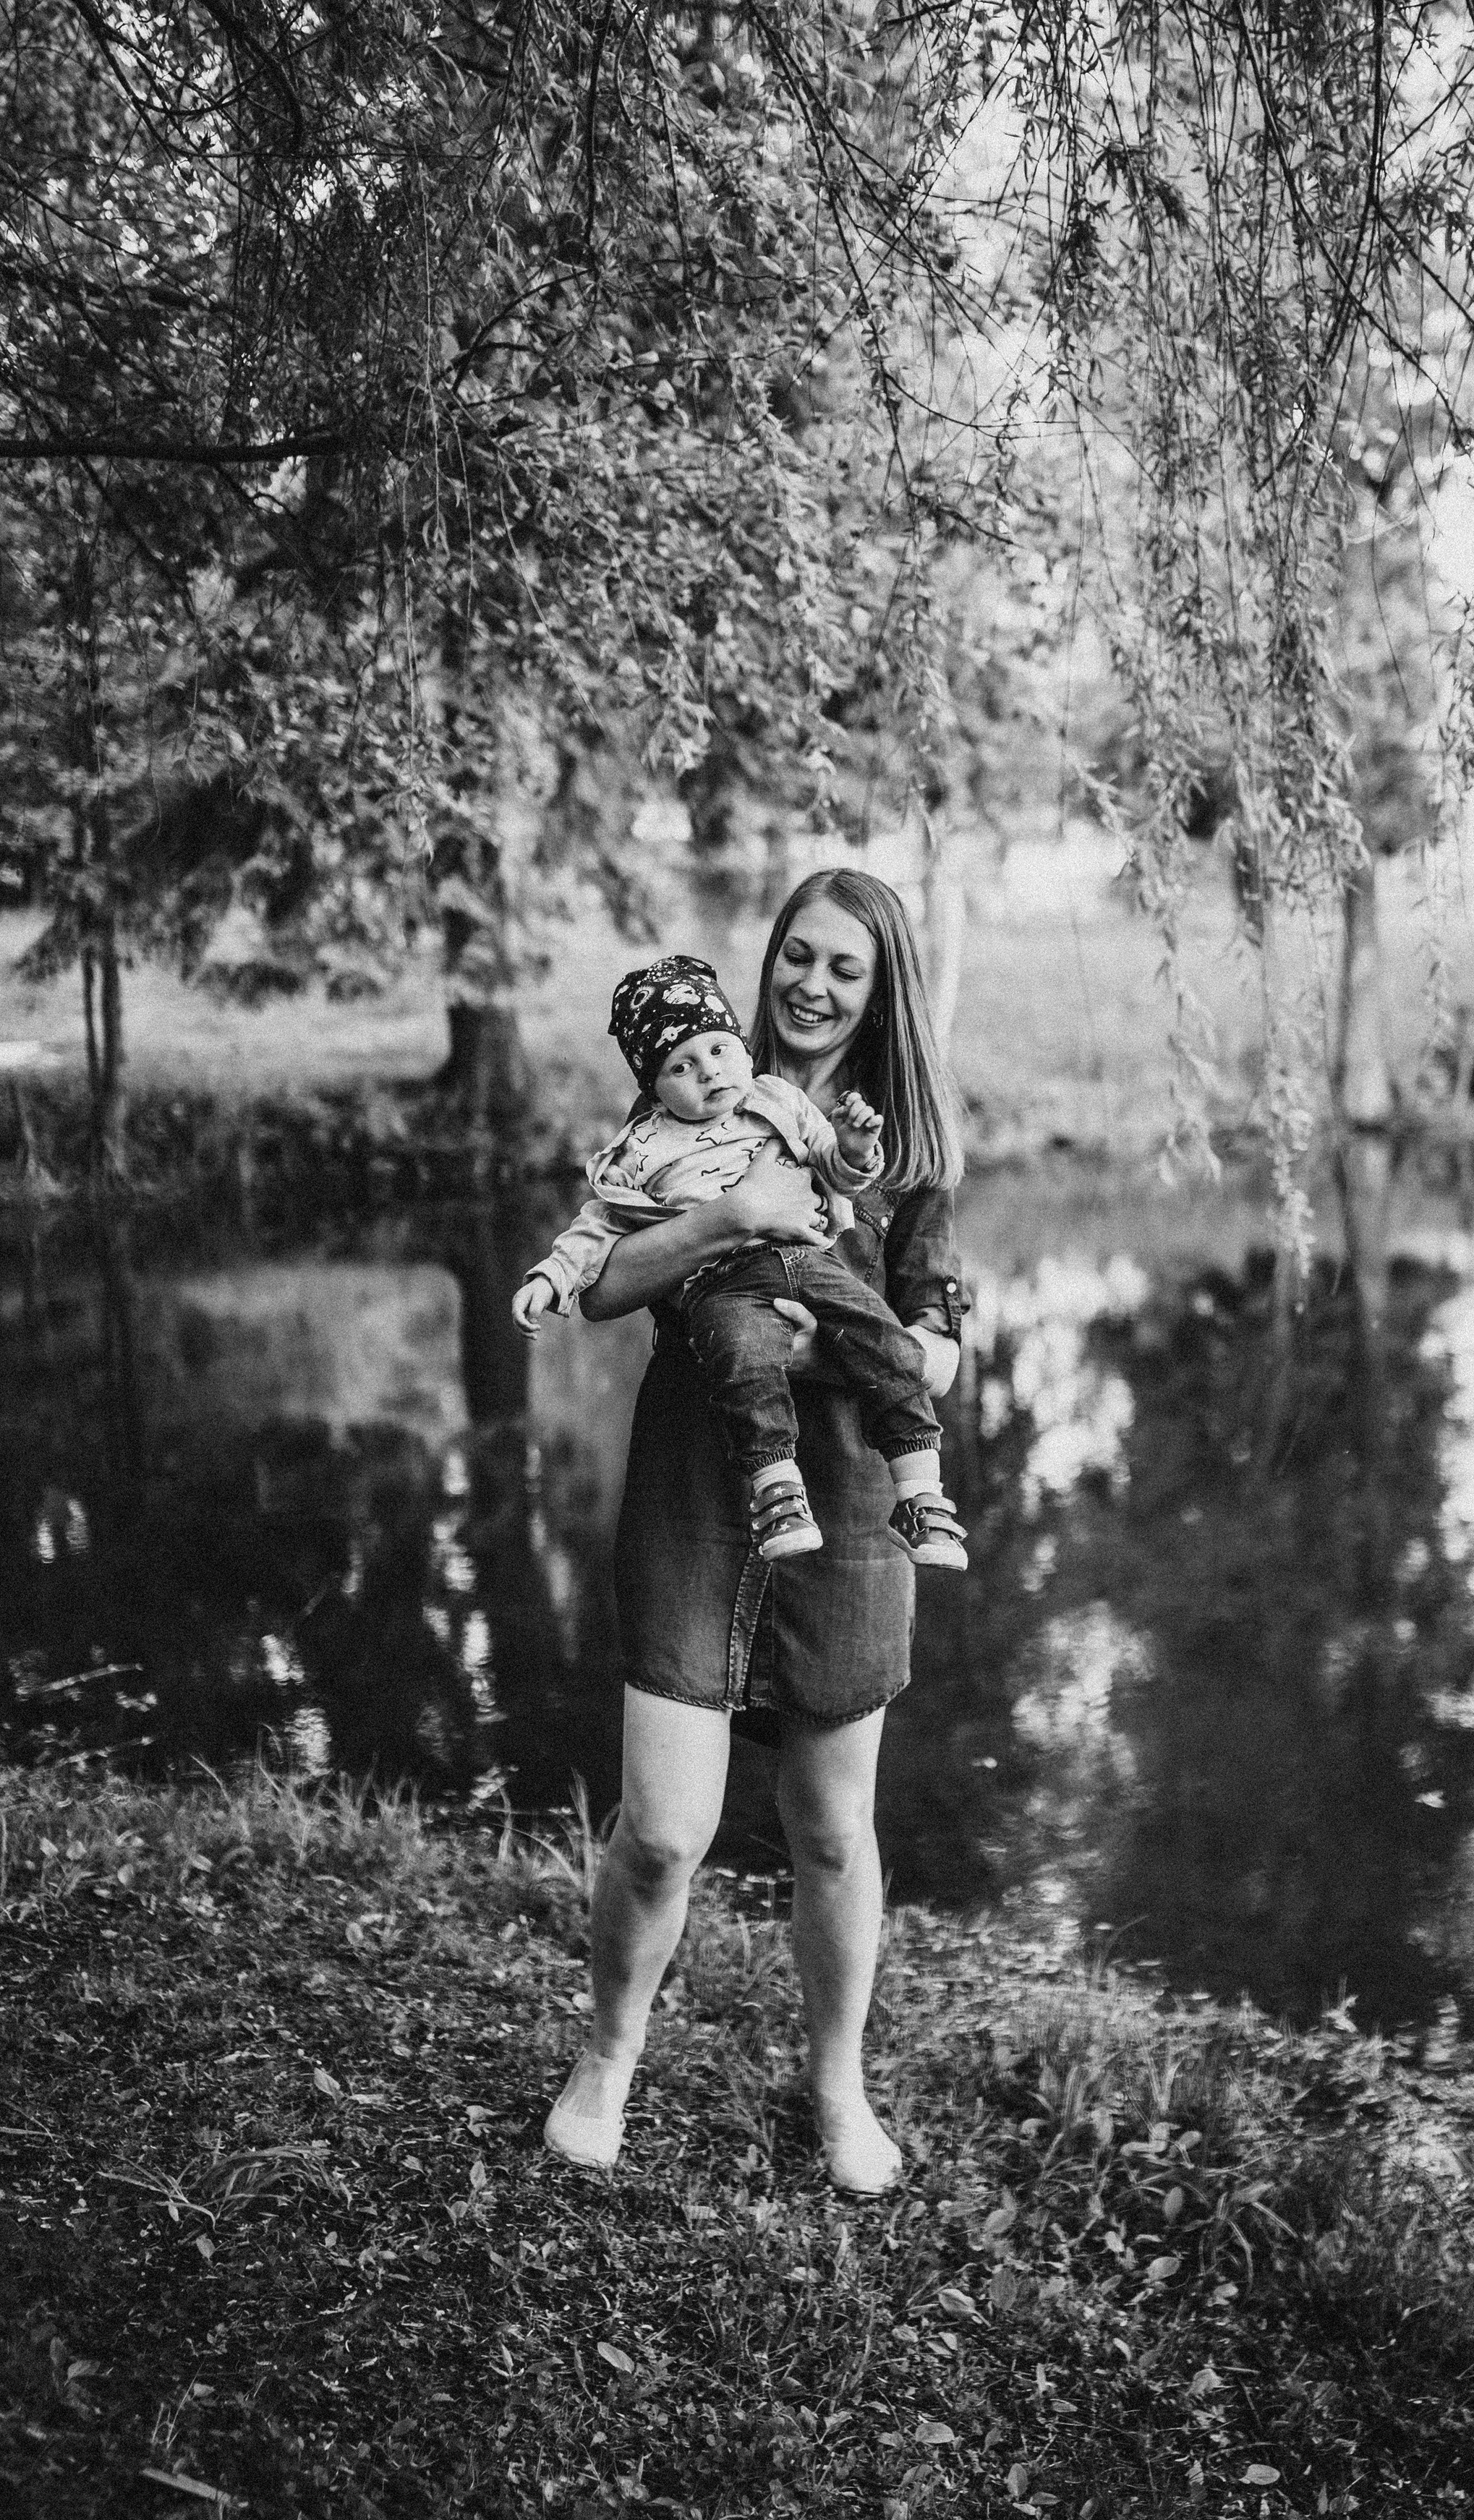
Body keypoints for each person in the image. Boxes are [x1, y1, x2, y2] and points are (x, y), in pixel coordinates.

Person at [528, 869, 966, 2192]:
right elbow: (603, 1281)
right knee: (664, 1829)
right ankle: (608, 2058)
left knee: (833, 1832)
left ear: (882, 986)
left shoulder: (910, 1154)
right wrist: (726, 1222)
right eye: (797, 956)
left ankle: (836, 2088)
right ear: (766, 963)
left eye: (844, 967)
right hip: (693, 1484)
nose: (812, 985)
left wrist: (821, 1336)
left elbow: (933, 1358)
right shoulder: (692, 1091)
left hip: (844, 1494)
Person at [514, 954, 966, 1569]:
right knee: (745, 1356)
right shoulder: (645, 1143)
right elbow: (597, 1230)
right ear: (655, 1086)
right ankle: (777, 1491)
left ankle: (919, 1495)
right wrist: (551, 1277)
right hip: (722, 1290)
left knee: (884, 1339)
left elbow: (835, 1169)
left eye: (720, 1050)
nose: (709, 1072)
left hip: (811, 1269)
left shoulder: (783, 1102)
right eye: (682, 1064)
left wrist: (857, 1148)